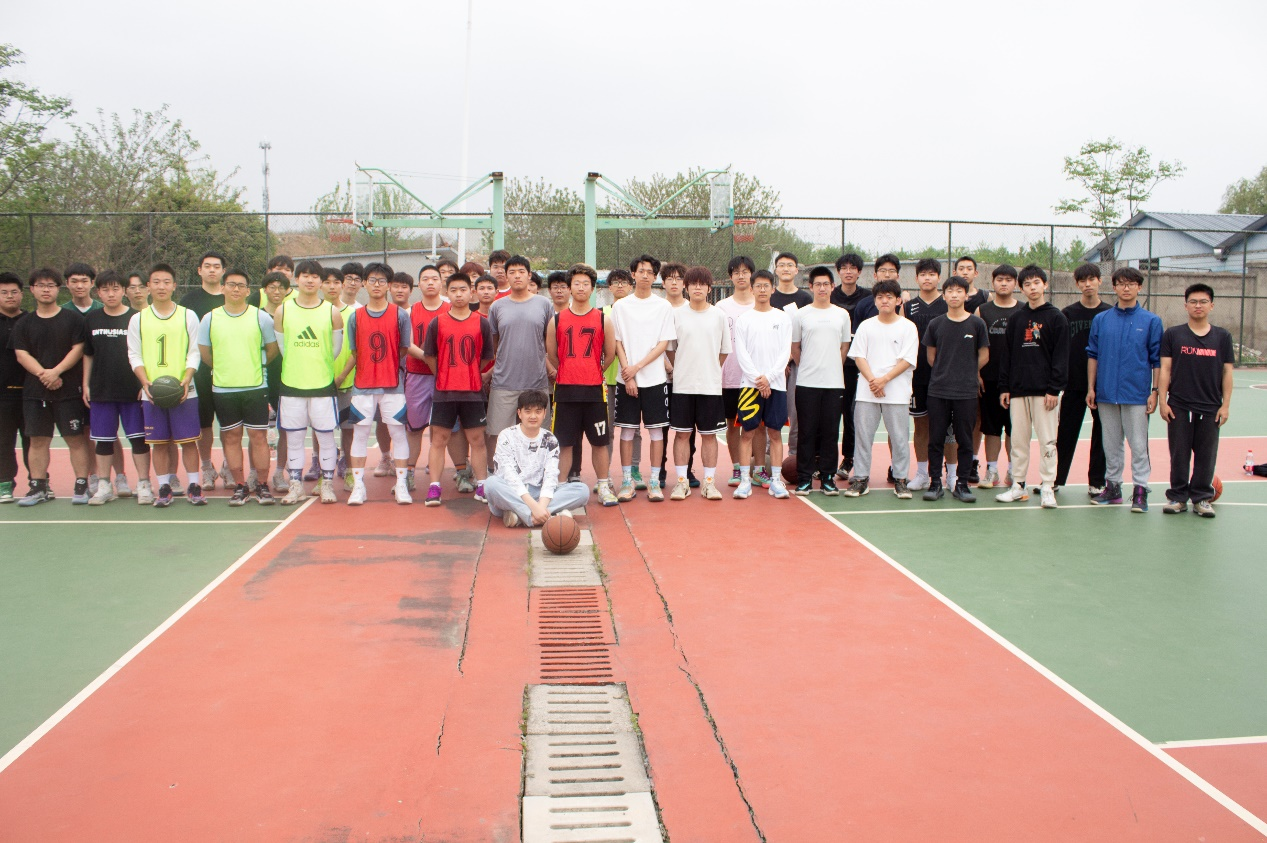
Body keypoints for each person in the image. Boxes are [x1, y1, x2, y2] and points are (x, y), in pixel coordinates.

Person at [198, 268, 279, 506]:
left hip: (255, 387)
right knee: (231, 438)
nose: (236, 289)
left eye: (241, 285)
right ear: (222, 288)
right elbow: (205, 353)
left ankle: (262, 485)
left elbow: (272, 349)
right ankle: (241, 486)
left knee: (258, 437)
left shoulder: (261, 318)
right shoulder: (210, 318)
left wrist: (254, 366)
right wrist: (225, 369)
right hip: (224, 389)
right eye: (231, 285)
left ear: (247, 291)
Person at [10, 268, 91, 505]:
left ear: (58, 288)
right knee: (38, 440)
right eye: (40, 285)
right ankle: (38, 487)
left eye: (50, 285)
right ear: (32, 290)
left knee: (75, 439)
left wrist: (56, 372)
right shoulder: (24, 323)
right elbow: (21, 354)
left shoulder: (73, 320)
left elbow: (79, 349)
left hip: (69, 392)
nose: (46, 290)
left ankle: (82, 486)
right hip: (36, 393)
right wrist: (44, 374)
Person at [126, 263, 204, 507]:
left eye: (166, 282)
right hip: (152, 392)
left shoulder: (187, 315)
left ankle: (194, 485)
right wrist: (144, 382)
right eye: (156, 282)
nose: (161, 286)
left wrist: (187, 378)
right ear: (148, 286)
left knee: (189, 441)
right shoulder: (138, 319)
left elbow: (194, 352)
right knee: (158, 443)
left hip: (184, 390)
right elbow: (134, 354)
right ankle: (164, 487)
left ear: (174, 286)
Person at [339, 263, 415, 505]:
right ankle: (358, 486)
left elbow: (403, 349)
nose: (377, 285)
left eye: (382, 281)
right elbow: (355, 351)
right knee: (360, 433)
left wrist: (386, 366)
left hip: (393, 385)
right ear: (364, 283)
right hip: (363, 386)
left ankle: (401, 484)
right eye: (372, 280)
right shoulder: (355, 317)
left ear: (389, 285)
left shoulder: (400, 315)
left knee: (398, 433)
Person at [1087, 267, 1162, 512]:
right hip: (1106, 393)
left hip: (1137, 394)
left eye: (1131, 284)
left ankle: (1140, 490)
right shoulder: (1101, 320)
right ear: (1114, 287)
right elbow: (1093, 355)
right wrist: (1091, 387)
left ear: (1139, 287)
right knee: (1111, 444)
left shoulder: (1151, 321)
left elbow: (1157, 360)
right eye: (1121, 283)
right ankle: (1113, 488)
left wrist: (1154, 391)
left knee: (1138, 445)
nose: (1126, 288)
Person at [995, 264, 1068, 509]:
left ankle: (1048, 487)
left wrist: (1054, 389)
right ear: (1022, 288)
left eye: (1036, 283)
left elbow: (1061, 356)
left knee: (1048, 441)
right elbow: (1007, 355)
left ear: (1045, 285)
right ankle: (1018, 485)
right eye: (1027, 284)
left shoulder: (1057, 318)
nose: (1032, 288)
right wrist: (1004, 387)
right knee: (1018, 441)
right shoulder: (1017, 318)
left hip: (1045, 392)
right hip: (1018, 390)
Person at [272, 259, 344, 505]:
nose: (310, 280)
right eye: (305, 275)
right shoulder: (283, 310)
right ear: (296, 279)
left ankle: (327, 485)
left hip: (322, 385)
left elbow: (334, 350)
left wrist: (317, 366)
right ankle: (296, 486)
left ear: (321, 282)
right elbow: (284, 348)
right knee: (293, 438)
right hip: (292, 385)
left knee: (325, 438)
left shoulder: (331, 312)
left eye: (315, 276)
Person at [1159, 283, 1234, 518]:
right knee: (1179, 454)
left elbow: (1227, 372)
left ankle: (1201, 498)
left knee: (1206, 456)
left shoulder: (1222, 337)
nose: (1198, 305)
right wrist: (1163, 400)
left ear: (1211, 305)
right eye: (1193, 301)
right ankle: (1178, 497)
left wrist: (1225, 405)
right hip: (1179, 405)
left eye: (1203, 301)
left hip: (1210, 406)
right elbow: (1165, 369)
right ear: (1185, 306)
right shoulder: (1173, 334)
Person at [546, 264, 618, 505]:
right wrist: (569, 370)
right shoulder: (556, 320)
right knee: (564, 442)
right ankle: (560, 487)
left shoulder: (603, 319)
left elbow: (610, 354)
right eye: (576, 283)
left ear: (593, 288)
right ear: (569, 287)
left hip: (594, 391)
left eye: (585, 284)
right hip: (565, 390)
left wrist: (593, 371)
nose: (580, 287)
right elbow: (552, 354)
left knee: (599, 441)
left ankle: (603, 485)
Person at [422, 271, 493, 507]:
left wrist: (469, 372)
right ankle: (434, 487)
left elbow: (486, 357)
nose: (459, 294)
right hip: (444, 391)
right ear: (447, 293)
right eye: (453, 290)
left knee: (477, 439)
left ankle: (482, 484)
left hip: (472, 391)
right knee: (439, 439)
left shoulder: (481, 322)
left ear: (471, 293)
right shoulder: (437, 322)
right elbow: (429, 355)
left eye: (463, 290)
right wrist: (443, 373)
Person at [845, 278, 918, 499]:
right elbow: (859, 356)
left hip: (896, 392)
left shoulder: (908, 327)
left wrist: (884, 380)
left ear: (898, 300)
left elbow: (907, 360)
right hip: (867, 392)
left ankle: (901, 479)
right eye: (880, 297)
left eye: (889, 297)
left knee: (899, 438)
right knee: (863, 437)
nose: (884, 301)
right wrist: (873, 381)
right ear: (874, 301)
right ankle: (861, 479)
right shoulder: (866, 326)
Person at [611, 254, 676, 502]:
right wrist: (627, 374)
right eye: (641, 271)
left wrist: (637, 367)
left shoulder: (663, 307)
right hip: (626, 379)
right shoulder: (620, 306)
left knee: (657, 433)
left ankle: (654, 482)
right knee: (627, 432)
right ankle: (627, 481)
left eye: (650, 272)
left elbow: (663, 344)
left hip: (655, 380)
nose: (645, 275)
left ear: (655, 276)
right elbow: (617, 342)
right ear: (633, 274)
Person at [83, 270, 149, 504]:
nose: (111, 294)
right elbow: (88, 354)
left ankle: (144, 484)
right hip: (102, 390)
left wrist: (144, 383)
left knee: (138, 440)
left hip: (132, 391)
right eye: (105, 290)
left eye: (115, 289)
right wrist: (85, 384)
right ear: (98, 292)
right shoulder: (91, 319)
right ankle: (104, 485)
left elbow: (145, 354)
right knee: (103, 440)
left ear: (124, 291)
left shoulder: (137, 318)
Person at [921, 276, 989, 503]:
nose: (954, 295)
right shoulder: (936, 324)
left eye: (959, 291)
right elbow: (931, 357)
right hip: (938, 391)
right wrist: (946, 372)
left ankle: (962, 484)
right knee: (936, 439)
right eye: (950, 291)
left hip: (966, 392)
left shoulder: (977, 324)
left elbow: (984, 355)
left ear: (966, 295)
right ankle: (935, 483)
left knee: (965, 440)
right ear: (944, 295)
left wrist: (968, 371)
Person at [665, 266, 729, 501]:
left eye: (702, 284)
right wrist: (683, 368)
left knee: (709, 436)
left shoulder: (719, 316)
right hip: (682, 386)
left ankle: (709, 483)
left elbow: (723, 352)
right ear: (687, 287)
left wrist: (709, 369)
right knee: (682, 435)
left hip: (710, 387)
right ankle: (681, 482)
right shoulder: (676, 315)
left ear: (709, 288)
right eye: (693, 284)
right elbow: (671, 350)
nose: (698, 288)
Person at [486, 254, 554, 467]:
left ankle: (536, 472)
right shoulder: (497, 307)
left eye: (521, 272)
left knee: (538, 433)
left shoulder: (544, 304)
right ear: (505, 276)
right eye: (512, 272)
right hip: (504, 382)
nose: (517, 276)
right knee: (497, 433)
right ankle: (495, 473)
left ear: (529, 275)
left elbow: (549, 342)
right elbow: (494, 344)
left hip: (536, 381)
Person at [485, 390, 590, 527]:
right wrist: (534, 507)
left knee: (582, 490)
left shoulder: (550, 439)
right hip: (511, 494)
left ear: (544, 413)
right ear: (519, 413)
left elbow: (551, 475)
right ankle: (540, 516)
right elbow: (509, 475)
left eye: (538, 411)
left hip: (540, 494)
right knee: (491, 484)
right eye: (528, 411)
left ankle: (522, 516)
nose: (533, 416)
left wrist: (541, 505)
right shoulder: (506, 436)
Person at [732, 271, 793, 500]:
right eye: (758, 286)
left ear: (773, 289)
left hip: (776, 385)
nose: (762, 290)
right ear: (752, 289)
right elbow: (741, 353)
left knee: (775, 433)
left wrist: (769, 378)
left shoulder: (782, 318)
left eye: (766, 286)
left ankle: (776, 481)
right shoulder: (744, 319)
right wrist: (758, 379)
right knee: (747, 432)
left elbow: (785, 352)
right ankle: (744, 481)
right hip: (750, 386)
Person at [791, 266, 850, 495]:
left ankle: (827, 477)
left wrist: (832, 366)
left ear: (832, 287)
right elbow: (795, 347)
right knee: (806, 432)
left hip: (834, 384)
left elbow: (844, 347)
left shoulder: (841, 314)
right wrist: (807, 365)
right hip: (807, 383)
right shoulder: (801, 314)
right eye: (818, 284)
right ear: (811, 287)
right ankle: (805, 478)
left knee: (830, 432)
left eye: (826, 284)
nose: (822, 288)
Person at [1055, 263, 1111, 496]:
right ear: (1077, 284)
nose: (1088, 284)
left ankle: (1096, 481)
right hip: (1073, 383)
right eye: (1083, 281)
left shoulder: (1110, 313)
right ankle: (1055, 479)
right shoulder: (1067, 313)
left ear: (1100, 281)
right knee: (1065, 433)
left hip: (1103, 384)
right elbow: (1059, 348)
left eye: (1091, 279)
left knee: (1101, 434)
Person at [181, 252, 230, 490]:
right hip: (200, 372)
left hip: (230, 371)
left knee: (230, 424)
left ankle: (229, 466)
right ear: (199, 270)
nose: (212, 270)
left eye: (216, 266)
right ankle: (207, 467)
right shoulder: (188, 301)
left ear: (223, 271)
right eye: (207, 266)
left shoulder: (232, 297)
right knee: (204, 424)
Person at [831, 253, 879, 479]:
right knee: (829, 414)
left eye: (853, 268)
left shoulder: (869, 298)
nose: (848, 271)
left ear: (860, 272)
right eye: (844, 268)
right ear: (838, 271)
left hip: (857, 366)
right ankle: (824, 459)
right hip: (831, 364)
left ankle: (849, 458)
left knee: (852, 414)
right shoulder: (830, 296)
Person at [974, 265, 1021, 489]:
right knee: (991, 428)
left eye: (1008, 280)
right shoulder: (982, 310)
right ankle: (991, 470)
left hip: (1016, 381)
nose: (1004, 283)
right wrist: (977, 373)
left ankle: (1013, 471)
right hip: (990, 379)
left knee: (1014, 429)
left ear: (1015, 284)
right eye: (1000, 279)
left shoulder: (1023, 310)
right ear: (992, 283)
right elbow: (976, 347)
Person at [404, 263, 450, 491]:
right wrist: (429, 358)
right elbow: (407, 344)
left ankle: (460, 470)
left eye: (434, 278)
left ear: (442, 283)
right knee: (413, 428)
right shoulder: (410, 312)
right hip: (417, 375)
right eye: (425, 279)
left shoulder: (451, 308)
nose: (430, 282)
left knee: (448, 427)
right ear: (418, 284)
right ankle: (408, 473)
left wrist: (439, 363)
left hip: (446, 376)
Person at [715, 256, 760, 487]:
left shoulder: (760, 304)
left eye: (745, 271)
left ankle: (759, 469)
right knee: (732, 424)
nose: (741, 276)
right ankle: (736, 468)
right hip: (729, 376)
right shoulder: (721, 307)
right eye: (736, 272)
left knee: (757, 425)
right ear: (730, 277)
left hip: (755, 377)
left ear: (751, 274)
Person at [902, 257, 945, 490]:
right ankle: (921, 473)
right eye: (923, 274)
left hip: (944, 376)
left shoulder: (949, 304)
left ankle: (952, 474)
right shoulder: (908, 307)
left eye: (931, 274)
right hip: (917, 376)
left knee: (947, 428)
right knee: (921, 426)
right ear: (916, 278)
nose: (927, 278)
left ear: (939, 277)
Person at [657, 262, 696, 487]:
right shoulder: (657, 308)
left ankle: (688, 471)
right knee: (661, 428)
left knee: (688, 428)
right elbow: (653, 342)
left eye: (679, 278)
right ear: (663, 283)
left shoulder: (692, 308)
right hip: (661, 377)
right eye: (669, 278)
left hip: (688, 379)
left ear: (685, 283)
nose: (674, 282)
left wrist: (680, 368)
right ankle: (660, 471)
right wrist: (669, 366)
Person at [771, 252, 812, 461]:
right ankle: (768, 455)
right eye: (781, 265)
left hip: (796, 363)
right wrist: (779, 361)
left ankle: (795, 455)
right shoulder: (769, 297)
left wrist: (790, 357)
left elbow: (806, 333)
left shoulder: (805, 299)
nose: (786, 268)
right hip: (772, 365)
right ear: (775, 269)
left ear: (796, 270)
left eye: (790, 265)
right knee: (772, 411)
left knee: (796, 412)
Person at [601, 269, 638, 483]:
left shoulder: (635, 311)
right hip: (608, 379)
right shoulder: (602, 313)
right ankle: (604, 473)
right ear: (609, 287)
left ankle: (634, 469)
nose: (620, 285)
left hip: (631, 377)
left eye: (624, 282)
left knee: (634, 428)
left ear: (631, 286)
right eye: (615, 282)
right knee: (607, 428)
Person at [260, 271, 291, 492]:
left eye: (281, 287)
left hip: (287, 378)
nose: (276, 291)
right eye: (272, 287)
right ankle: (256, 472)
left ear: (288, 291)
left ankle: (280, 472)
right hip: (259, 379)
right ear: (264, 290)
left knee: (286, 429)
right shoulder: (255, 316)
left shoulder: (292, 315)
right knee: (257, 431)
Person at [0, 271, 29, 503]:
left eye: (14, 292)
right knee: (3, 442)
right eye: (4, 292)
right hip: (2, 395)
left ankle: (39, 481)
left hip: (31, 393)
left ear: (22, 294)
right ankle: (5, 484)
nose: (10, 296)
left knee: (34, 441)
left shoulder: (31, 320)